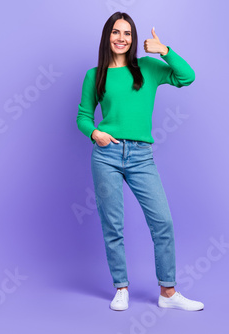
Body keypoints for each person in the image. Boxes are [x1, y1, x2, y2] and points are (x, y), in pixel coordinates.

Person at [76, 11, 203, 312]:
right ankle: (121, 288)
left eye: (128, 34)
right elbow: (83, 115)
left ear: (134, 40)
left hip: (141, 156)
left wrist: (165, 51)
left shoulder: (147, 67)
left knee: (162, 222)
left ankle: (168, 292)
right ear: (107, 36)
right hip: (106, 155)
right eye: (116, 32)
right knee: (113, 224)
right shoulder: (95, 75)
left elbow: (187, 77)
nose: (122, 38)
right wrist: (96, 133)